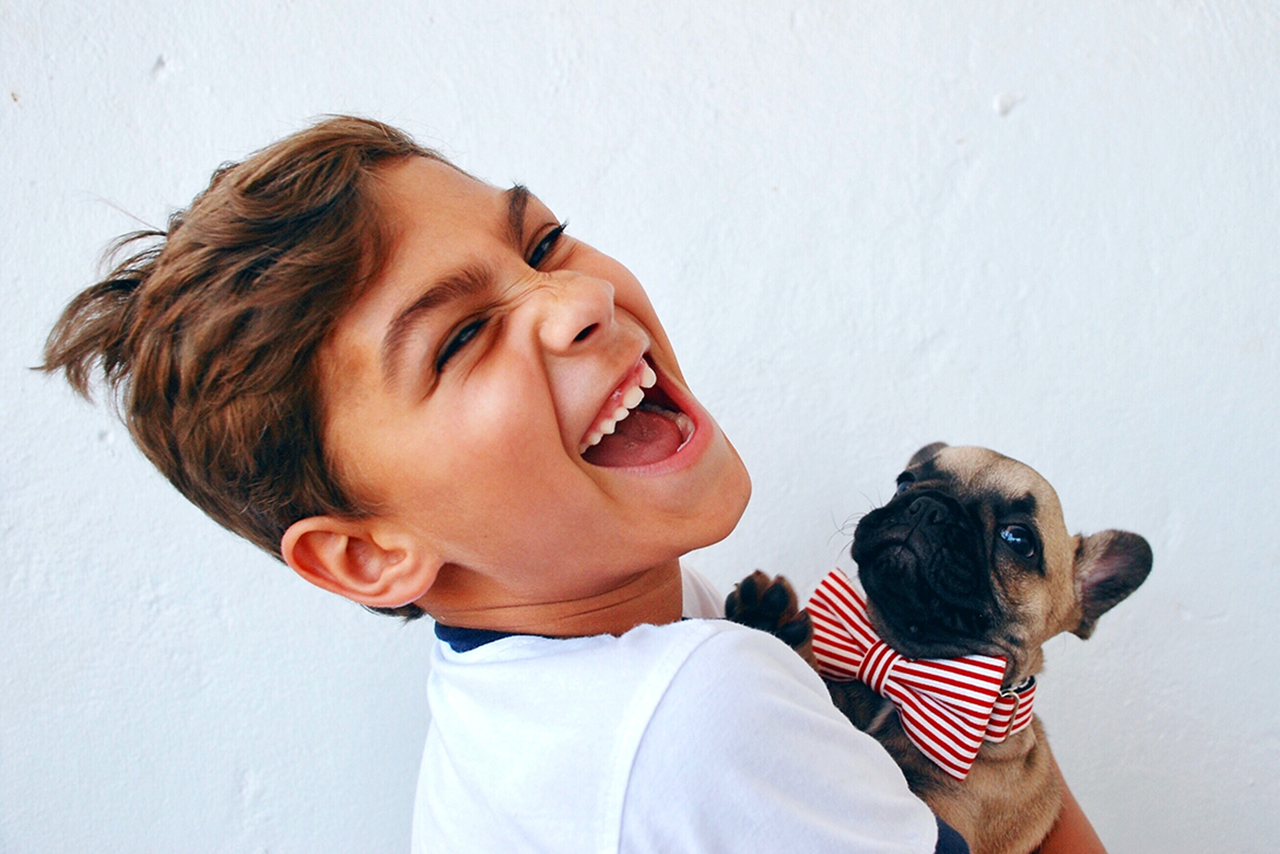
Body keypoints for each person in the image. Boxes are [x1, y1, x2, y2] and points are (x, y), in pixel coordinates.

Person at [42, 116, 1103, 853]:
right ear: (369, 553)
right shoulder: (693, 710)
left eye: (541, 243)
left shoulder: (551, 684)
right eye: (459, 337)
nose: (579, 296)